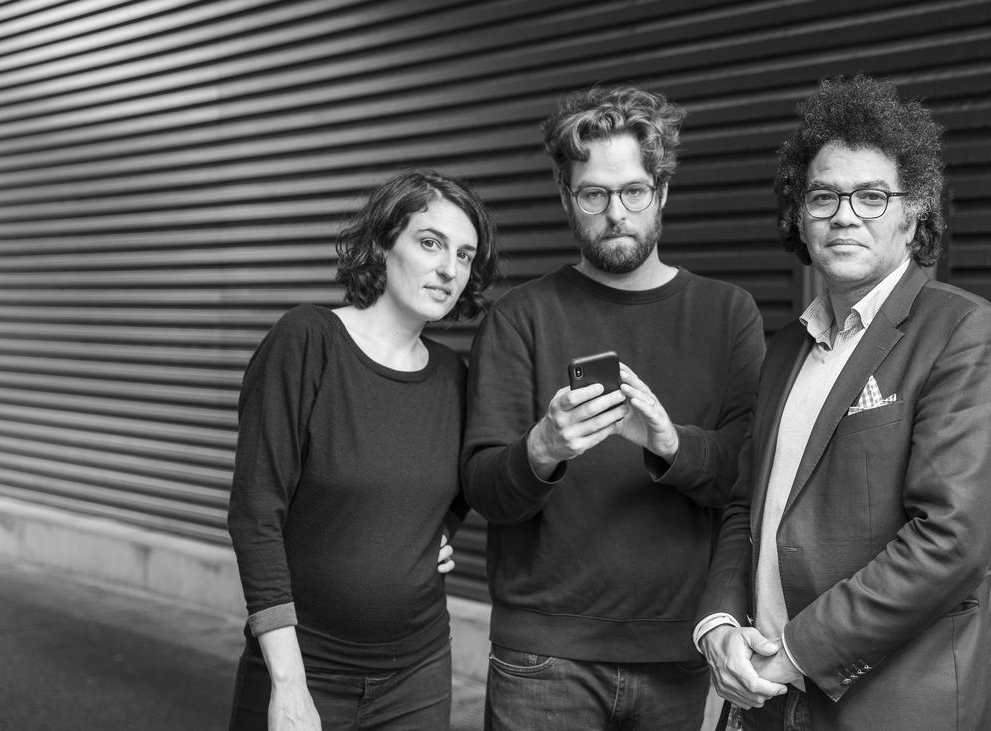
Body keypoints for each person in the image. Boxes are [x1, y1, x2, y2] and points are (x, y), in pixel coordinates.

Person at [695, 73, 991, 730]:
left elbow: (949, 541)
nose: (844, 215)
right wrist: (720, 622)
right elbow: (745, 504)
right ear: (801, 215)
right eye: (824, 195)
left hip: (898, 707)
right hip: (768, 702)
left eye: (872, 196)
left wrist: (795, 651)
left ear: (914, 211)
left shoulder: (964, 332)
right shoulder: (787, 348)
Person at [462, 85, 766, 730]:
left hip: (678, 649)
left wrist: (668, 441)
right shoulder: (519, 318)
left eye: (633, 191)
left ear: (662, 192)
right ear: (566, 198)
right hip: (544, 654)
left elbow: (746, 479)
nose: (615, 213)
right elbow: (486, 492)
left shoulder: (728, 313)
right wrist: (543, 448)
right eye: (593, 195)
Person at [226, 168, 499, 730]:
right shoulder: (308, 340)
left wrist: (433, 533)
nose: (450, 269)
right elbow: (255, 514)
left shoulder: (453, 376)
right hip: (307, 665)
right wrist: (289, 685)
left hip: (418, 673)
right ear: (383, 244)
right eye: (431, 243)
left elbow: (463, 485)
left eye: (465, 255)